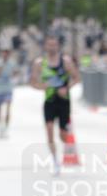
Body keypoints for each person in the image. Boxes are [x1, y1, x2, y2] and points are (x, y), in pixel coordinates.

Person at [30, 32, 80, 174]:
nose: (52, 47)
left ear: (58, 46)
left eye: (54, 45)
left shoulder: (66, 61)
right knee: (49, 129)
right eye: (49, 45)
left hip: (64, 101)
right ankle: (55, 161)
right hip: (49, 101)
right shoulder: (40, 63)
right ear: (45, 46)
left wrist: (67, 88)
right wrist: (43, 87)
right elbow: (32, 82)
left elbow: (77, 78)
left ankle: (66, 138)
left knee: (63, 135)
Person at [0, 47, 16, 138]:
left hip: (8, 89)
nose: (5, 55)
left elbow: (16, 73)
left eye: (7, 53)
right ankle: (0, 128)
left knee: (7, 108)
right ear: (1, 54)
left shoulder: (12, 63)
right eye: (4, 53)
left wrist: (14, 74)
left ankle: (6, 128)